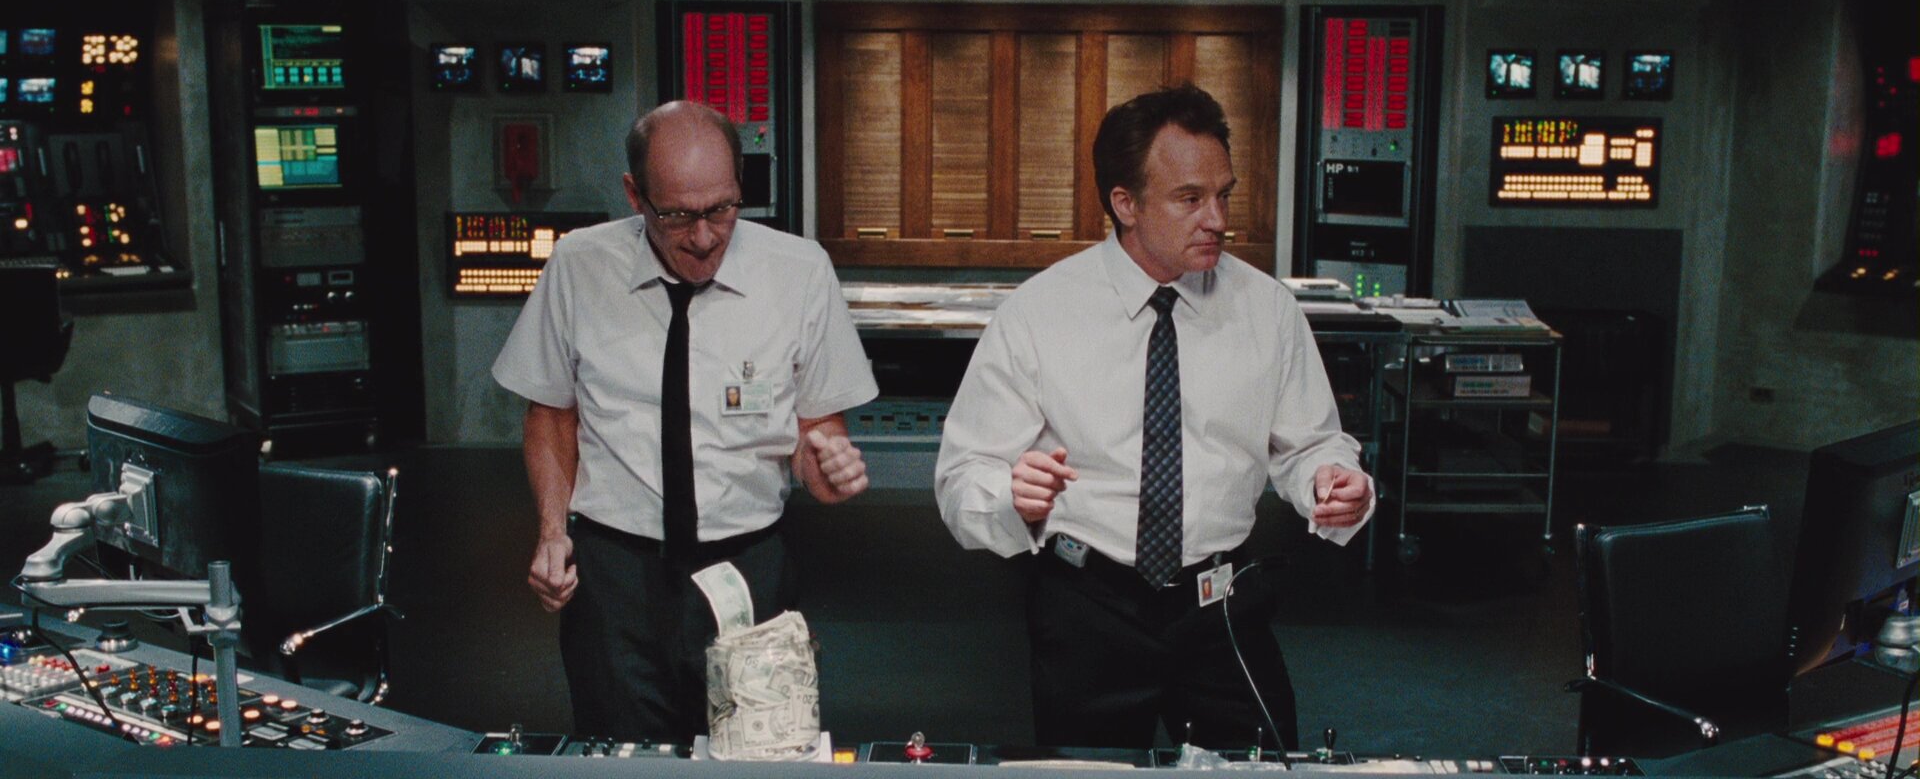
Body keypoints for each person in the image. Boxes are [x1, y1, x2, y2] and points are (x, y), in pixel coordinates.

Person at [934, 84, 1373, 752]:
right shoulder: (1039, 314)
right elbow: (963, 474)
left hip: (1221, 601)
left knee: (1258, 768)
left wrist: (1333, 479)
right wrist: (1010, 497)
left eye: (1223, 194)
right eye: (1189, 199)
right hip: (1089, 606)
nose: (1217, 219)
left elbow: (1310, 442)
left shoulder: (1268, 310)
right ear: (1125, 204)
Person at [492, 101, 878, 743]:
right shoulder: (579, 266)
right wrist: (552, 532)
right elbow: (551, 413)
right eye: (676, 215)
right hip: (614, 575)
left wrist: (826, 466)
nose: (703, 237)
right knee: (621, 755)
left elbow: (819, 432)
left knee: (758, 752)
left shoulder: (800, 272)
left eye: (722, 209)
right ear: (634, 194)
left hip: (748, 567)